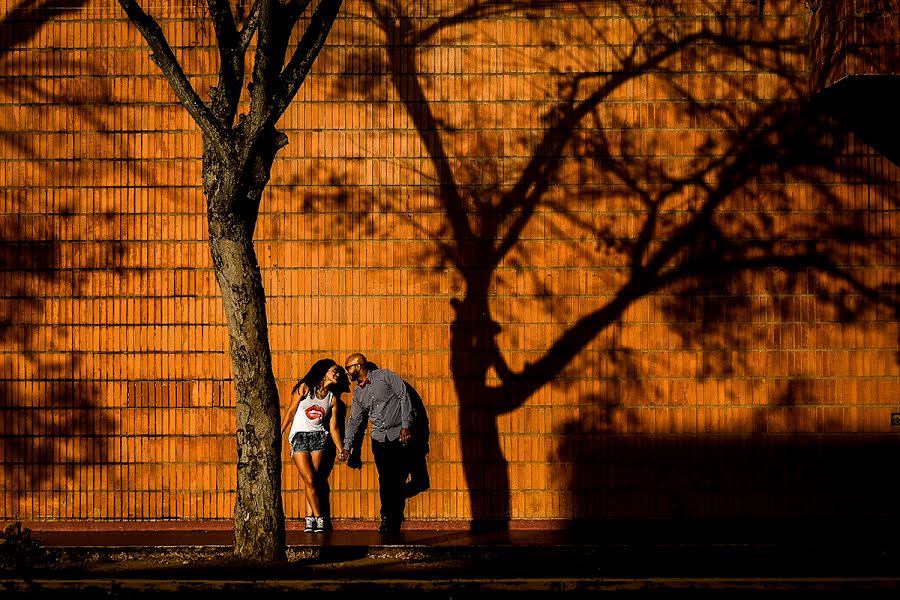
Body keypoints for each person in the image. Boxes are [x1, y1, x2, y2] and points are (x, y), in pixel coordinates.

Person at [338, 353, 412, 533]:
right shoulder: (358, 393)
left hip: (398, 436)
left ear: (358, 366)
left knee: (404, 479)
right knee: (385, 479)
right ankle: (388, 517)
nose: (347, 372)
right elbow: (354, 421)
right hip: (379, 439)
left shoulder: (385, 376)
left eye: (348, 368)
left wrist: (405, 425)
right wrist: (347, 447)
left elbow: (404, 396)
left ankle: (393, 508)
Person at [281, 358, 344, 533]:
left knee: (313, 481)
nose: (337, 374)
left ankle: (309, 520)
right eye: (334, 371)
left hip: (319, 439)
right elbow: (291, 410)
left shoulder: (332, 399)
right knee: (309, 479)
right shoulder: (305, 388)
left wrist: (341, 449)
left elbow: (334, 428)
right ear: (324, 372)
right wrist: (279, 433)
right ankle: (319, 517)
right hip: (299, 437)